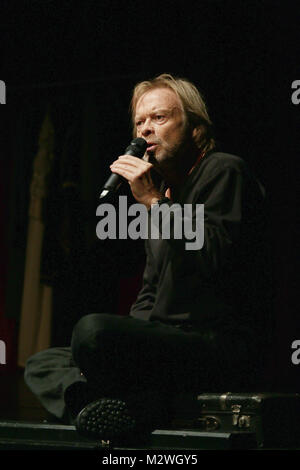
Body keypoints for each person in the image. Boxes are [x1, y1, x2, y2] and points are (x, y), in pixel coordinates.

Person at [24, 74, 271, 443]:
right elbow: (150, 292)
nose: (145, 132)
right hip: (163, 341)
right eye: (139, 122)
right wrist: (128, 338)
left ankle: (127, 403)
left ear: (195, 129)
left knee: (92, 332)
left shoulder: (223, 171)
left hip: (212, 342)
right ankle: (99, 409)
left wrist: (156, 204)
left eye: (159, 118)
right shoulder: (162, 194)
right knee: (43, 362)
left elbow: (213, 254)